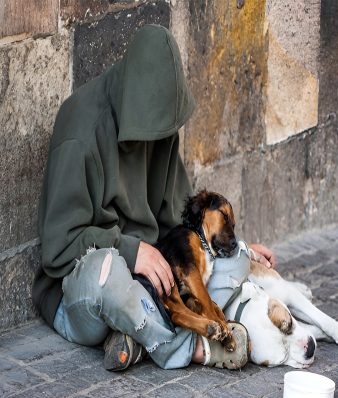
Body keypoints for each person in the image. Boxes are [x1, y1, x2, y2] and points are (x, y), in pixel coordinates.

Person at [33, 25, 276, 372]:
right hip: (82, 291)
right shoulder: (80, 133)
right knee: (111, 276)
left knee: (234, 262)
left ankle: (136, 337)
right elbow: (57, 249)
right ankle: (189, 347)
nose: (161, 141)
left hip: (153, 284)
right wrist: (131, 252)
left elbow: (183, 224)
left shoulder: (161, 129)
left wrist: (240, 247)